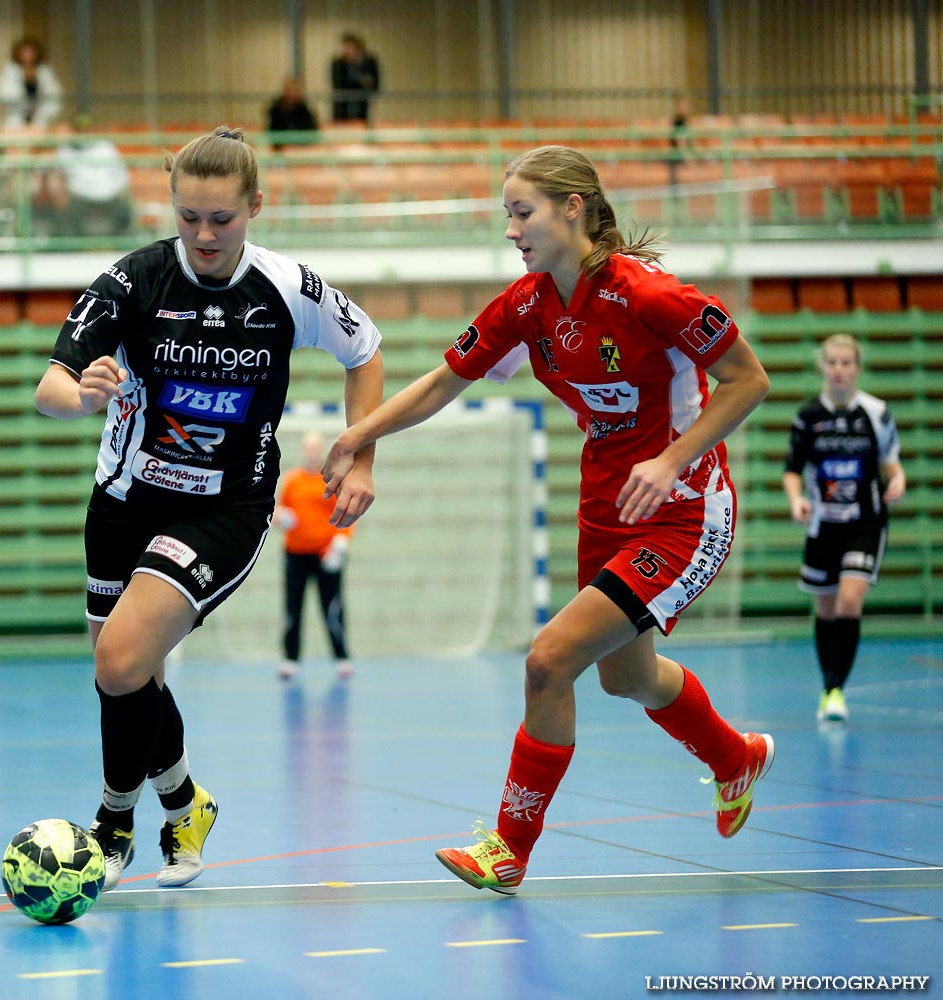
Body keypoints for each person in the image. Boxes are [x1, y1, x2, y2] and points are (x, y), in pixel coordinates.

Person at [323, 144, 774, 895]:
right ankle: (734, 757)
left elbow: (747, 380)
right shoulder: (527, 304)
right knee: (624, 679)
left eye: (521, 211)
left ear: (573, 209)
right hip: (604, 509)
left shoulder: (652, 295)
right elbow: (443, 383)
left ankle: (508, 850)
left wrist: (671, 459)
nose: (510, 229)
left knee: (548, 659)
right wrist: (356, 434)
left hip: (682, 511)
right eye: (507, 213)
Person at [34, 125, 385, 892]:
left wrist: (360, 453)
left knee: (121, 660)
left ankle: (112, 825)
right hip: (124, 499)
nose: (202, 235)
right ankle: (185, 804)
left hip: (223, 510)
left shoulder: (289, 288)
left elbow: (366, 351)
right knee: (124, 670)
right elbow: (50, 386)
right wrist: (81, 396)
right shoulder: (133, 280)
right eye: (188, 217)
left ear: (255, 206)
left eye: (220, 219)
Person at [782, 334, 905, 723]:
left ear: (857, 368)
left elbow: (890, 462)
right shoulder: (808, 416)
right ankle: (827, 685)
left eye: (845, 363)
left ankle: (836, 690)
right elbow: (791, 470)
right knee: (825, 607)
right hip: (823, 525)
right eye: (831, 362)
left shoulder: (876, 412)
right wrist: (796, 499)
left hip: (865, 523)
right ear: (823, 367)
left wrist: (898, 479)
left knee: (849, 601)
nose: (838, 370)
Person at [275, 431, 353, 680]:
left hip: (326, 554)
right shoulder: (292, 480)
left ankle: (341, 657)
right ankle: (290, 658)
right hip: (295, 554)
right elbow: (277, 510)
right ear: (303, 450)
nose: (311, 452)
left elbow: (345, 514)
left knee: (332, 607)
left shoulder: (331, 479)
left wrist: (341, 543)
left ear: (321, 451)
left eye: (315, 448)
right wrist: (281, 518)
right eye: (307, 448)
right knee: (293, 607)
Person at [38, 114, 131, 237]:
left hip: (108, 193)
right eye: (80, 129)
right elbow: (51, 171)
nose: (83, 133)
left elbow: (121, 173)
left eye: (86, 129)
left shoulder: (105, 147)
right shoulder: (65, 150)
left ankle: (120, 242)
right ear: (75, 131)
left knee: (124, 210)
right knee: (67, 213)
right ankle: (73, 245)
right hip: (80, 195)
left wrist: (116, 189)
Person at [0, 36, 62, 131]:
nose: (28, 55)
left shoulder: (45, 72)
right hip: (16, 118)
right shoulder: (9, 71)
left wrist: (42, 112)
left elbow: (54, 96)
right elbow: (5, 95)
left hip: (41, 118)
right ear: (18, 53)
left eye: (31, 52)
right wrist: (25, 108)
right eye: (25, 52)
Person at [329, 32, 379, 125]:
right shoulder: (338, 63)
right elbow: (336, 84)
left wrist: (359, 65)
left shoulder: (368, 62)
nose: (347, 51)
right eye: (345, 47)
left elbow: (374, 84)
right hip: (342, 107)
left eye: (350, 47)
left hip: (361, 104)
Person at [267, 76, 319, 148]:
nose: (292, 94)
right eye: (289, 90)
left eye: (295, 90)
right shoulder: (276, 110)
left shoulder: (305, 110)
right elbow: (271, 131)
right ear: (285, 91)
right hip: (281, 148)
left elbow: (312, 131)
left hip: (302, 148)